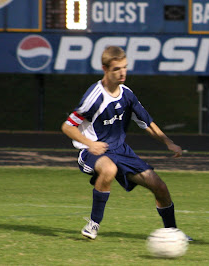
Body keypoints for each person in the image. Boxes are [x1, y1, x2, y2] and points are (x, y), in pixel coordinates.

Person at [62, 45, 188, 240]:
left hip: (121, 151)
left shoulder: (127, 94)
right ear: (105, 69)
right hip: (93, 151)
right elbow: (68, 127)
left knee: (160, 187)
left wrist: (168, 142)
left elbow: (147, 123)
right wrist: (90, 143)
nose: (122, 73)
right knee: (109, 169)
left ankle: (173, 233)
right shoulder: (94, 97)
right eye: (116, 69)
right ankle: (93, 224)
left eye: (124, 67)